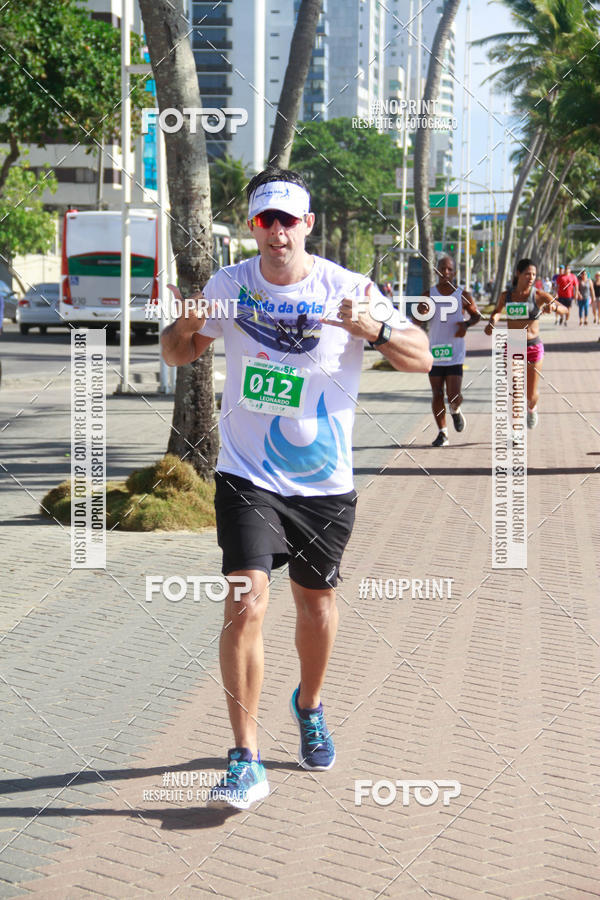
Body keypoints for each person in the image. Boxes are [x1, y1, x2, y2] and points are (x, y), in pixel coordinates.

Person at [161, 167, 432, 810]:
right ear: (254, 226)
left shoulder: (349, 287)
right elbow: (177, 354)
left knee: (315, 608)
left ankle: (308, 704)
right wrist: (186, 324)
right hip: (247, 474)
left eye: (289, 219)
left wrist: (380, 330)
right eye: (266, 220)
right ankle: (245, 757)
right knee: (246, 602)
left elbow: (424, 357)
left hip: (324, 484)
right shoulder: (230, 285)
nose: (278, 232)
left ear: (307, 224)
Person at [485, 258, 568, 429]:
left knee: (530, 395)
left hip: (533, 347)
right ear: (518, 274)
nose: (531, 277)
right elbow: (497, 312)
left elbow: (564, 309)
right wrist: (493, 320)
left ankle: (532, 408)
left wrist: (554, 308)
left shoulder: (538, 296)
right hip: (513, 345)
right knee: (515, 392)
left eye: (534, 274)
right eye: (527, 274)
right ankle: (516, 430)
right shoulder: (506, 296)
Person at [422, 255, 481, 447]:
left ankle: (455, 411)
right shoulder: (429, 294)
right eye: (442, 268)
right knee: (437, 393)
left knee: (453, 396)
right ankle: (443, 433)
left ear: (454, 272)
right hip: (436, 352)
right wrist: (420, 313)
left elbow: (476, 316)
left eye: (449, 269)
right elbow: (417, 318)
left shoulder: (462, 295)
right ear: (437, 271)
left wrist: (466, 324)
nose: (445, 272)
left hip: (455, 352)